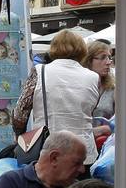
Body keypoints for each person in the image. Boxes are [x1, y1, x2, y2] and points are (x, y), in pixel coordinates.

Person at [16, 29, 100, 165]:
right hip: (84, 153)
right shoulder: (93, 77)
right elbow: (91, 109)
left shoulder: (40, 72)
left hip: (49, 150)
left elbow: (20, 113)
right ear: (82, 50)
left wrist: (19, 135)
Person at [83, 40, 115, 142]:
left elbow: (125, 121)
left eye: (109, 57)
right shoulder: (78, 87)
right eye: (102, 57)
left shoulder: (112, 89)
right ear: (88, 60)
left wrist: (104, 129)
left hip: (106, 145)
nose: (108, 62)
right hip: (80, 144)